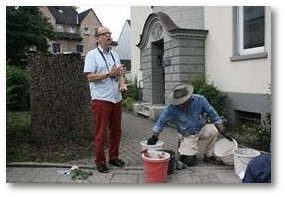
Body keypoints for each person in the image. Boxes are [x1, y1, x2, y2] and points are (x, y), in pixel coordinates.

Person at [147, 83, 232, 166]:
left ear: (189, 97)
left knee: (213, 130)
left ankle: (208, 156)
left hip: (201, 128)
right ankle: (182, 144)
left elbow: (214, 115)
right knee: (189, 161)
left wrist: (223, 130)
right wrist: (154, 136)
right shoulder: (171, 107)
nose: (180, 105)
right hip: (187, 134)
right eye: (178, 103)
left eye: (182, 102)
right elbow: (162, 121)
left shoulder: (200, 100)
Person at [84, 26, 127, 173]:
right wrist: (109, 74)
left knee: (116, 130)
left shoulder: (115, 55)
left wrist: (122, 82)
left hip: (116, 97)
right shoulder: (92, 55)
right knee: (101, 132)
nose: (108, 36)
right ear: (97, 38)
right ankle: (100, 161)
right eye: (105, 34)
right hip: (101, 98)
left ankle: (113, 158)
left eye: (110, 33)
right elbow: (89, 77)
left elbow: (120, 72)